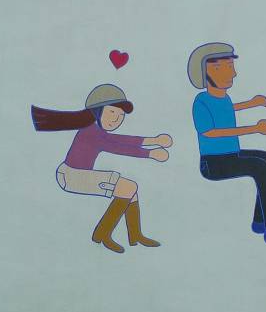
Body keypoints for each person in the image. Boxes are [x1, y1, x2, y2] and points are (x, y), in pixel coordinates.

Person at [187, 42, 266, 246]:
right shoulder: (201, 102)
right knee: (259, 166)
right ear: (204, 72)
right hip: (213, 164)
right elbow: (210, 132)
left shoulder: (223, 98)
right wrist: (254, 128)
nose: (232, 73)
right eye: (221, 67)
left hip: (230, 155)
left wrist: (253, 103)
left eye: (230, 66)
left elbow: (228, 109)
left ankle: (262, 220)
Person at [31, 84, 172, 253]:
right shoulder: (91, 132)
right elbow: (117, 146)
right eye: (112, 112)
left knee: (130, 190)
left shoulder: (95, 130)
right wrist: (150, 153)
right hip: (72, 176)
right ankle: (102, 234)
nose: (116, 119)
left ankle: (135, 235)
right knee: (127, 187)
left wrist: (153, 141)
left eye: (121, 116)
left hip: (76, 174)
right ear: (97, 111)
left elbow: (119, 140)